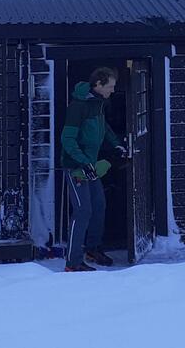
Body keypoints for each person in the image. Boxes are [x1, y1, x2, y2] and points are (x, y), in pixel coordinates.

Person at [60, 66, 127, 271]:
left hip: (91, 166)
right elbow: (67, 139)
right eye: (110, 86)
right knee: (83, 211)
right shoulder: (78, 107)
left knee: (99, 206)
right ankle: (73, 262)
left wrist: (116, 144)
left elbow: (102, 127)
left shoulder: (98, 104)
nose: (113, 90)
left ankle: (93, 248)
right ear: (98, 84)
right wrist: (82, 162)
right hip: (77, 168)